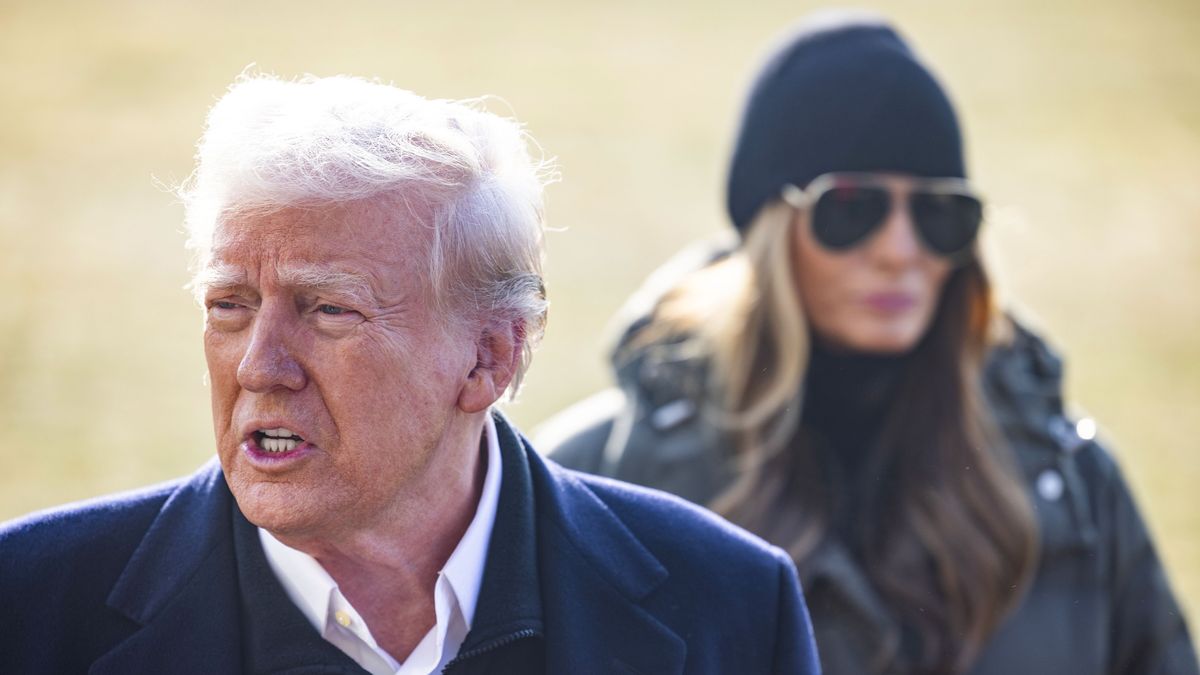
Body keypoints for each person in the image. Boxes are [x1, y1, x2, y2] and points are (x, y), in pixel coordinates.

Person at [0, 75, 820, 674]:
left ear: (489, 357)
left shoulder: (733, 609)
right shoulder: (31, 608)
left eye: (327, 309)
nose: (259, 364)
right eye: (230, 305)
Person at [540, 11, 1198, 675]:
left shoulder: (1074, 482)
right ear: (773, 230)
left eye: (940, 213)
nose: (900, 251)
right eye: (853, 208)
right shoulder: (594, 483)